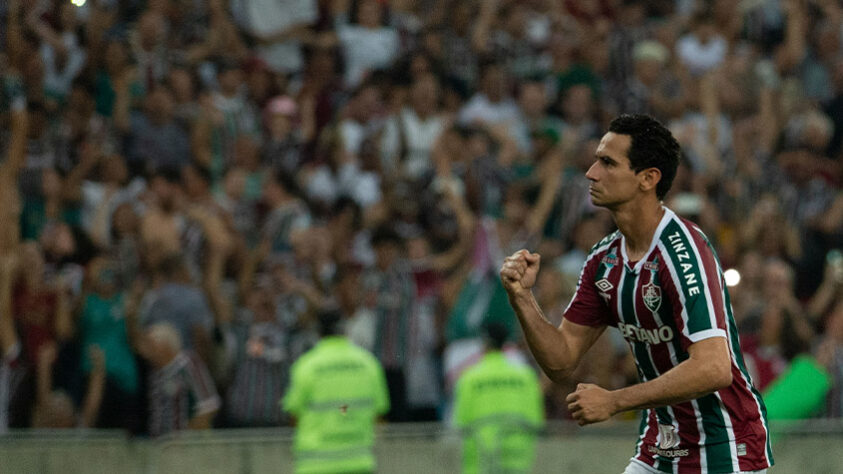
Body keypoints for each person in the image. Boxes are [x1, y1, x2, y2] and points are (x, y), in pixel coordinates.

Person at [500, 114, 773, 474]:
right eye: (596, 160)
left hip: (725, 445)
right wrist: (523, 298)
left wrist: (615, 401)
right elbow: (561, 358)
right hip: (661, 444)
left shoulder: (683, 251)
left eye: (608, 163)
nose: (591, 173)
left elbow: (714, 367)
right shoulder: (604, 260)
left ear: (648, 178)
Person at [282, 308, 390, 474]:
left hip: (315, 466)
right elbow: (379, 415)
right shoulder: (369, 364)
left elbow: (293, 416)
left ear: (317, 332)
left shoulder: (306, 366)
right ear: (345, 329)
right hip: (358, 464)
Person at [453, 322, 544, 474]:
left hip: (480, 462)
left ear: (484, 344)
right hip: (518, 461)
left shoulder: (469, 378)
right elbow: (536, 420)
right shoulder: (526, 377)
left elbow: (461, 422)